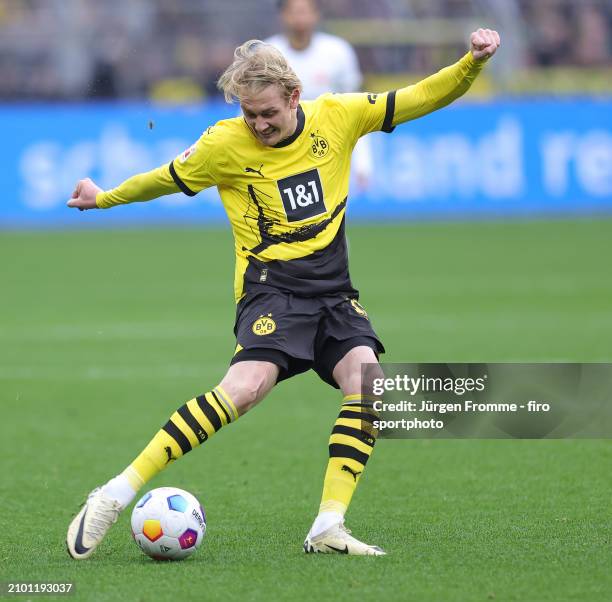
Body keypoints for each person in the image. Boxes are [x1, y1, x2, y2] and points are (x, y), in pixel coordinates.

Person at [66, 28, 500, 559]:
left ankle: (327, 525)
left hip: (333, 289)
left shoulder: (338, 115)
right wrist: (104, 198)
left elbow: (420, 97)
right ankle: (115, 493)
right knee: (246, 389)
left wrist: (472, 63)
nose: (259, 124)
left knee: (368, 383)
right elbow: (164, 178)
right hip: (270, 288)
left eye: (268, 112)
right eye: (250, 114)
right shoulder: (224, 144)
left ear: (295, 96)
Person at [265, 0, 372, 189]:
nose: (299, 18)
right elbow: (253, 109)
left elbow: (357, 108)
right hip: (283, 152)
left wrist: (363, 162)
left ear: (316, 14)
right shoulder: (267, 54)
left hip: (330, 149)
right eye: (293, 12)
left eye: (305, 11)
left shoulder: (338, 52)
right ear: (282, 15)